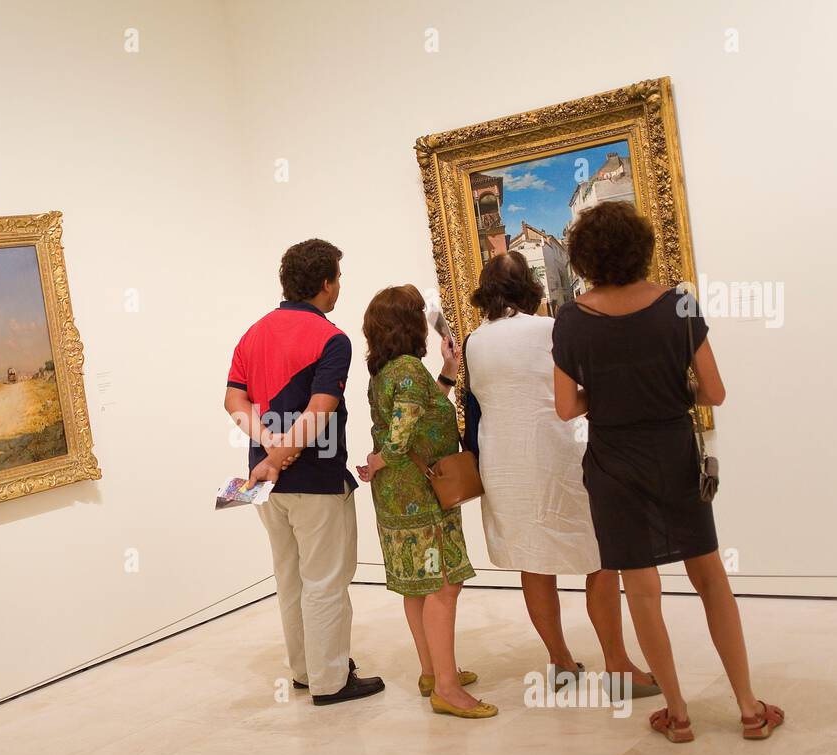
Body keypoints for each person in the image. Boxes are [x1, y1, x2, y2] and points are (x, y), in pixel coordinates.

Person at [552, 201, 784, 742]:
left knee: (642, 589)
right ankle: (749, 710)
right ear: (641, 247)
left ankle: (678, 715)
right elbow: (715, 392)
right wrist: (673, 390)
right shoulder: (678, 303)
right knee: (710, 580)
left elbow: (566, 407)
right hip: (674, 454)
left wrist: (607, 394)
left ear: (585, 257)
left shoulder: (571, 319)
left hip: (612, 464)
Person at [463, 251, 659, 699]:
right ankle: (618, 666)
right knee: (599, 556)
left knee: (533, 562)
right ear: (530, 286)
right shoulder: (553, 330)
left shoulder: (475, 340)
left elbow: (475, 408)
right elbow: (590, 386)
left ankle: (561, 661)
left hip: (505, 465)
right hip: (561, 457)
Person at [224, 239, 385, 706]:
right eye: (337, 278)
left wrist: (268, 450)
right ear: (324, 284)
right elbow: (319, 410)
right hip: (314, 479)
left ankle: (304, 670)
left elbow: (234, 401)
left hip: (263, 484)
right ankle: (331, 681)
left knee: (290, 578)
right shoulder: (332, 339)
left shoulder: (252, 333)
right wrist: (280, 455)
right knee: (325, 581)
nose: (338, 287)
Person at [358, 284, 494, 719]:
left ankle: (432, 671)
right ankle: (448, 689)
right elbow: (400, 438)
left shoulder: (388, 371)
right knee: (443, 583)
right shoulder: (408, 370)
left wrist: (448, 370)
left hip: (399, 492)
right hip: (421, 490)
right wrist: (380, 458)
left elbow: (417, 411)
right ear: (408, 323)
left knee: (419, 585)